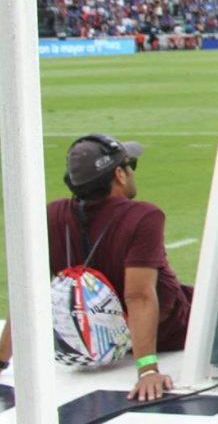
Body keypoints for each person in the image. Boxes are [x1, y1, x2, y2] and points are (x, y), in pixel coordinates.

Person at [0, 135, 192, 401]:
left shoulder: (50, 215)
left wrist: (1, 358)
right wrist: (147, 370)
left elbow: (27, 291)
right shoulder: (143, 216)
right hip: (172, 332)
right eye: (130, 165)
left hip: (92, 341)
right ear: (119, 175)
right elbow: (139, 296)